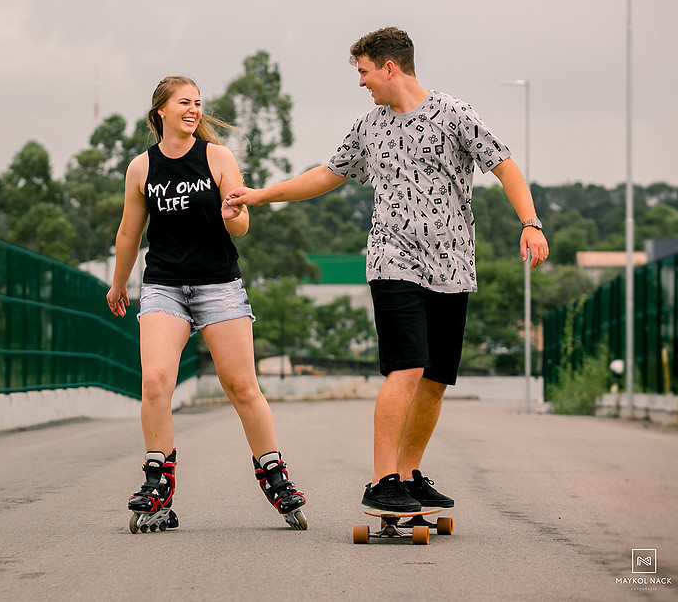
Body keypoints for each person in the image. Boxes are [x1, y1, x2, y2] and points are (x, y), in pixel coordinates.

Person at [226, 27, 549, 512]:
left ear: (389, 67)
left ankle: (407, 473)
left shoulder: (455, 114)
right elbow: (325, 175)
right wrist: (260, 194)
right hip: (392, 260)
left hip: (454, 264)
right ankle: (380, 482)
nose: (361, 83)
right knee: (407, 367)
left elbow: (504, 165)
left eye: (364, 72)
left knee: (436, 379)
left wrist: (531, 222)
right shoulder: (368, 127)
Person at [107, 75, 307, 532]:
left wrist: (232, 214)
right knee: (156, 381)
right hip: (163, 286)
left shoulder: (218, 158)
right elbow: (128, 232)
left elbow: (242, 227)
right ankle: (158, 482)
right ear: (161, 111)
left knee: (241, 386)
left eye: (198, 103)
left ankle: (274, 474)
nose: (194, 110)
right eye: (184, 103)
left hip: (219, 284)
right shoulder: (142, 168)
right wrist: (119, 284)